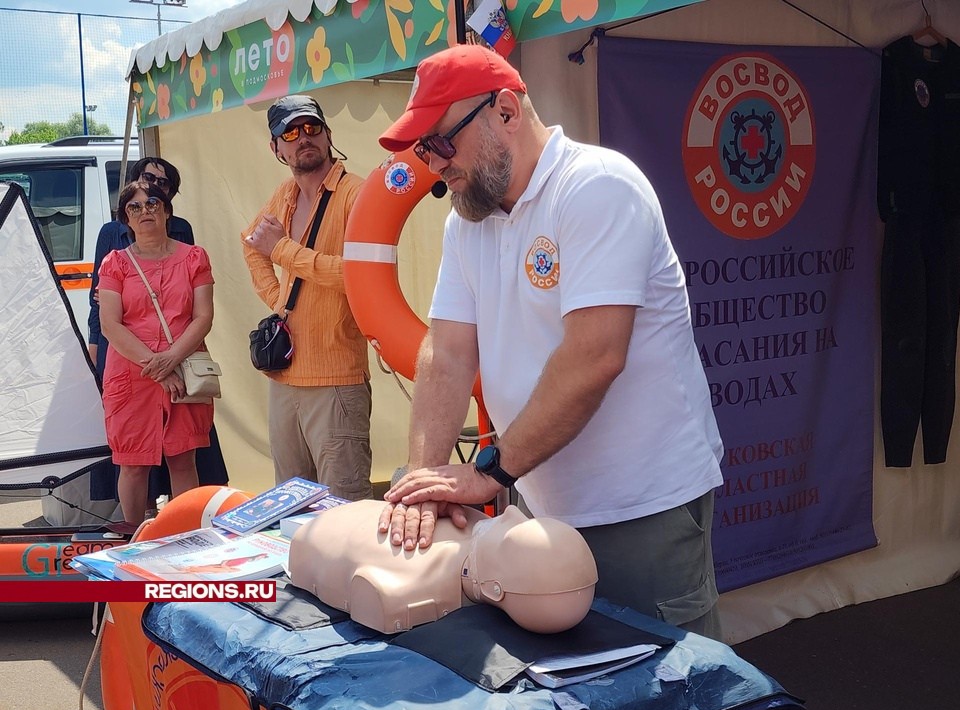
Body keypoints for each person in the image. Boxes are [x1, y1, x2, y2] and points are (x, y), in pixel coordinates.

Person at [376, 45, 725, 639]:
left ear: (506, 111)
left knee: (670, 689)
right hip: (536, 500)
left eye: (440, 142)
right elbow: (448, 353)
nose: (432, 163)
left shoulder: (597, 186)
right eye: (421, 150)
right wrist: (429, 478)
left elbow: (594, 357)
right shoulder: (467, 220)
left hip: (638, 506)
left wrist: (488, 472)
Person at [242, 94, 372, 500]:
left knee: (342, 508)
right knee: (289, 507)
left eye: (312, 128)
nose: (304, 138)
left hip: (336, 378)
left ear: (329, 134)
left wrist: (283, 251)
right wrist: (279, 299)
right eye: (291, 133)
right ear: (276, 147)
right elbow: (251, 245)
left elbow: (359, 276)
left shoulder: (357, 194)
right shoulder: (285, 195)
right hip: (284, 377)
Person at [87, 157, 229, 511]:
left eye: (152, 203)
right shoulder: (114, 263)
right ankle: (132, 540)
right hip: (131, 376)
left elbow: (203, 317)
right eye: (134, 207)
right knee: (133, 464)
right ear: (126, 219)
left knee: (184, 460)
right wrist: (159, 367)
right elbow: (110, 324)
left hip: (183, 368)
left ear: (167, 212)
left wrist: (171, 360)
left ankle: (184, 537)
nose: (144, 211)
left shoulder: (195, 257)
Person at [288, 500, 598, 634]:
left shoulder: (420, 577)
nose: (512, 513)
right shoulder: (475, 524)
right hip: (332, 527)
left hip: (326, 537)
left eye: (509, 537)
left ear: (495, 589)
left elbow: (374, 592)